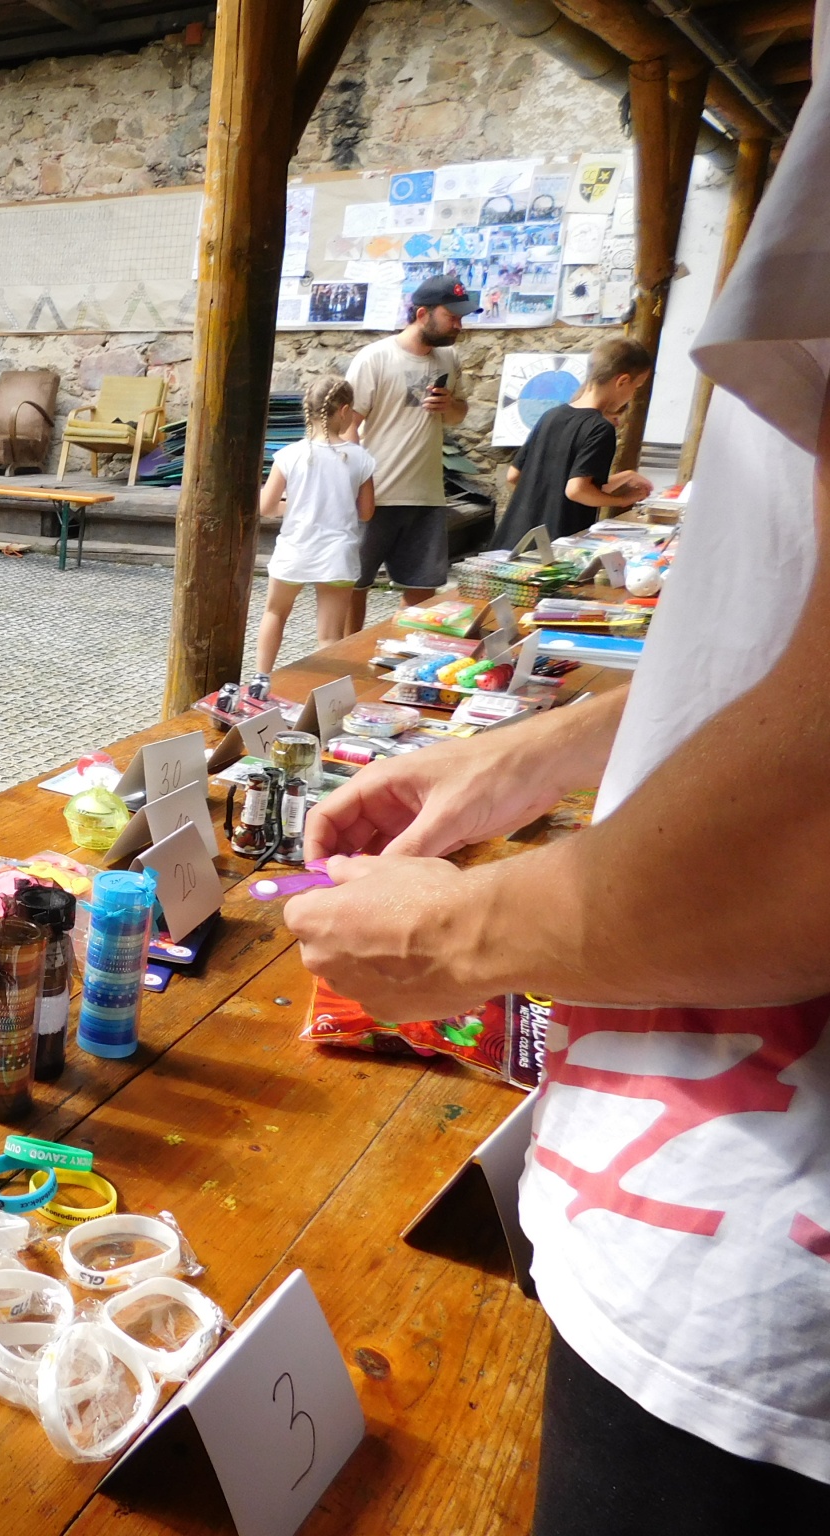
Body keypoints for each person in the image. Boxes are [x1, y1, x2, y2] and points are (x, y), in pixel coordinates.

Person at [283, 82, 830, 1530]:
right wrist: (543, 752)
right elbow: (780, 647)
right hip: (714, 1232)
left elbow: (811, 818)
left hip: (758, 1309)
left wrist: (453, 937)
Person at [345, 274, 474, 630]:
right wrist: (358, 488)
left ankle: (408, 655)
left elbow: (459, 414)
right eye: (452, 316)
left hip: (428, 498)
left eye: (461, 317)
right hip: (375, 494)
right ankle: (343, 657)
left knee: (423, 591)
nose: (459, 325)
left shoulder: (450, 358)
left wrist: (449, 406)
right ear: (422, 314)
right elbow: (348, 426)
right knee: (354, 586)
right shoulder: (375, 358)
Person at [487, 337, 656, 551]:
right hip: (556, 548)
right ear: (622, 381)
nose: (632, 395)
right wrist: (621, 500)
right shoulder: (600, 428)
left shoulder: (551, 416)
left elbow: (514, 476)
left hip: (513, 541)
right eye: (636, 387)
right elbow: (577, 491)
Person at [255, 374, 375, 674]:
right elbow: (366, 512)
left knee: (275, 613)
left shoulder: (288, 455)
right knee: (329, 636)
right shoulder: (361, 459)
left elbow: (266, 507)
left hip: (295, 550)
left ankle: (260, 680)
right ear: (345, 411)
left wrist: (294, 506)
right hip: (337, 555)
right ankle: (326, 696)